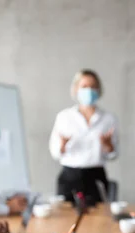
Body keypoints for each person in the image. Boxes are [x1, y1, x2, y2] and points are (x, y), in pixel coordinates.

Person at [49, 69, 119, 206]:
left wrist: (108, 146)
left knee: (97, 220)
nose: (89, 90)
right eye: (84, 86)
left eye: (93, 87)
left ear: (99, 90)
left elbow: (114, 154)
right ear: (76, 89)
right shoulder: (64, 117)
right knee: (66, 220)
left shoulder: (108, 119)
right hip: (70, 177)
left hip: (96, 176)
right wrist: (62, 146)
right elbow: (55, 152)